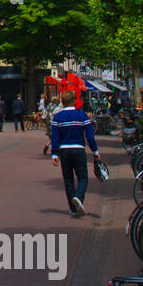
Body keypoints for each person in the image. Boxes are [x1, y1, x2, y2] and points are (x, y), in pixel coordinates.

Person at [51, 87, 99, 217]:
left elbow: (54, 137)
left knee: (68, 179)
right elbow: (90, 136)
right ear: (74, 101)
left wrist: (54, 153)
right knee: (83, 176)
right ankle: (78, 197)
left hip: (64, 150)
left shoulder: (57, 117)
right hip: (78, 149)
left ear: (63, 101)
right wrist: (95, 150)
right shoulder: (82, 115)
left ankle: (72, 208)